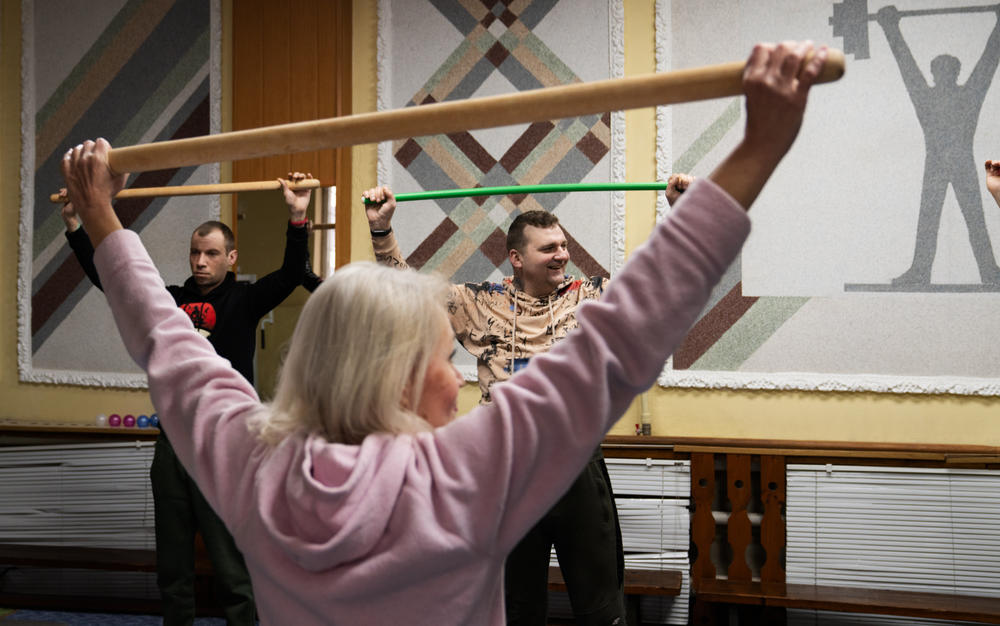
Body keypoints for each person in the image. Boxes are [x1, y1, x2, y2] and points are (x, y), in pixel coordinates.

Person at [60, 40, 827, 626]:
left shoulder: (253, 469)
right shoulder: (463, 475)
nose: (453, 374)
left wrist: (101, 218)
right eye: (440, 357)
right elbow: (627, 338)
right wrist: (763, 142)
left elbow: (166, 344)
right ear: (399, 380)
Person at [365, 166, 692, 624]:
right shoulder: (479, 303)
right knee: (515, 606)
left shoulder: (592, 296)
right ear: (516, 258)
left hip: (575, 464)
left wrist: (681, 215)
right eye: (549, 248)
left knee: (601, 605)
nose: (562, 255)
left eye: (563, 245)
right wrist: (382, 229)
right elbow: (405, 293)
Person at [58, 175, 312, 625]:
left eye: (211, 253)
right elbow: (111, 280)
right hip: (172, 442)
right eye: (195, 252)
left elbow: (293, 274)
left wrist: (297, 216)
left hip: (225, 443)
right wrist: (77, 227)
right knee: (173, 568)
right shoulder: (170, 302)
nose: (200, 261)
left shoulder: (245, 299)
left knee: (232, 569)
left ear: (231, 258)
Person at [875, 4, 1000, 287]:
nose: (943, 75)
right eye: (940, 70)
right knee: (932, 218)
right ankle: (927, 270)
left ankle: (988, 271)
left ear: (952, 73)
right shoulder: (936, 98)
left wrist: (890, 27)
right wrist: (890, 28)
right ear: (937, 74)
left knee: (970, 218)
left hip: (955, 162)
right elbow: (906, 64)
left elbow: (988, 62)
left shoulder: (962, 96)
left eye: (946, 70)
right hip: (944, 163)